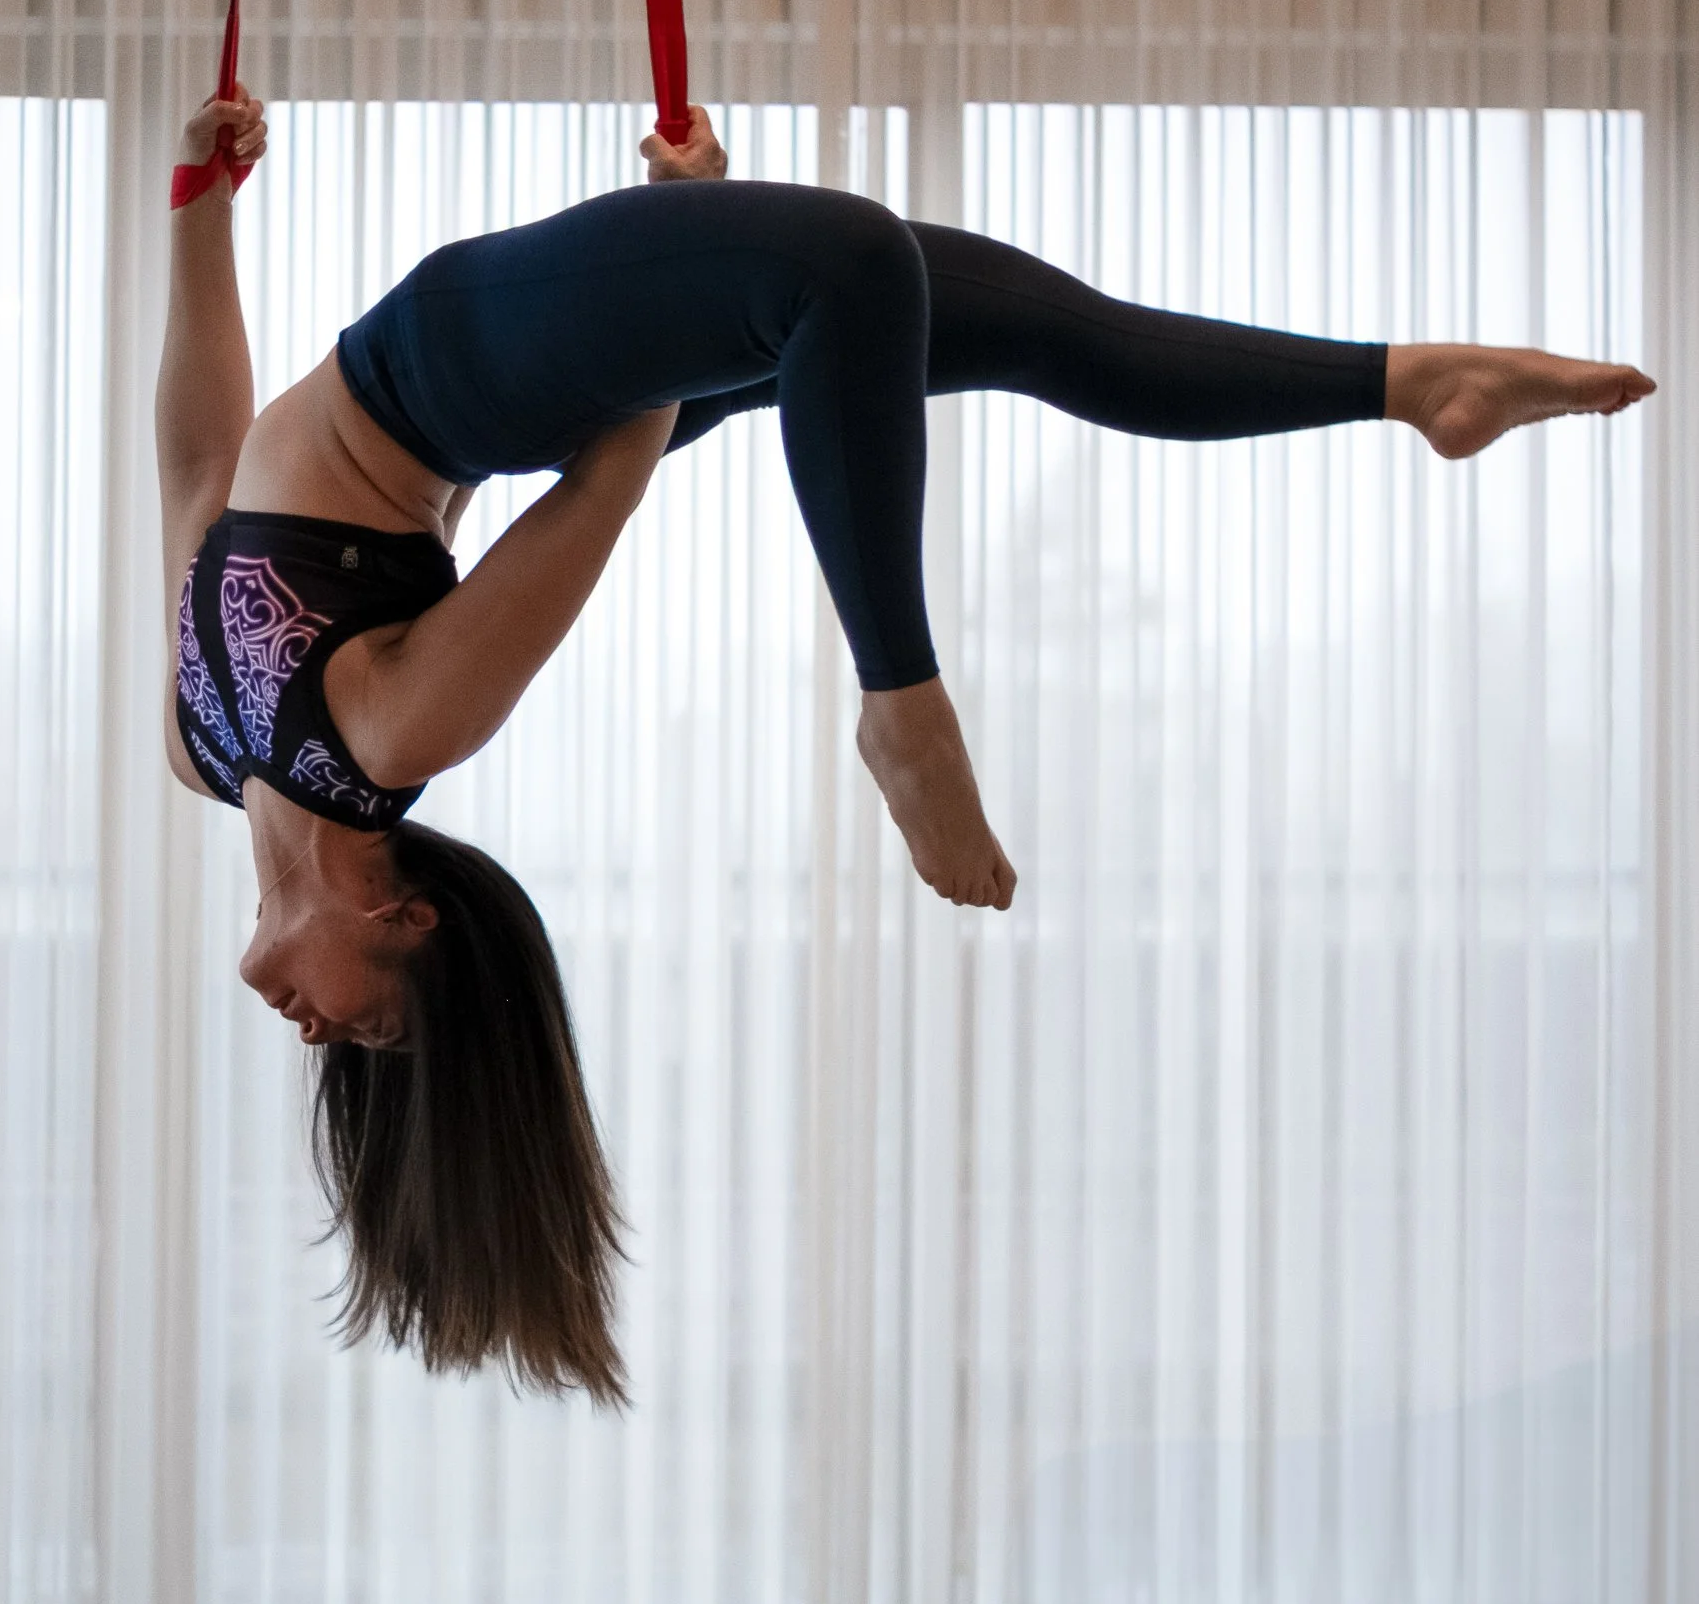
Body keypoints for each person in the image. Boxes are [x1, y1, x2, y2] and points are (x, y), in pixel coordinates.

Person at [157, 87, 1654, 1404]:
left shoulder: (199, 744)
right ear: (404, 915)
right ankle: (912, 689)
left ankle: (1410, 391)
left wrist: (199, 215)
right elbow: (598, 499)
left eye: (353, 1039)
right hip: (457, 384)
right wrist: (682, 260)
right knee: (878, 282)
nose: (320, 1034)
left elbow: (197, 464)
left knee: (910, 295)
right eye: (372, 1028)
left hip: (455, 370)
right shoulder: (397, 731)